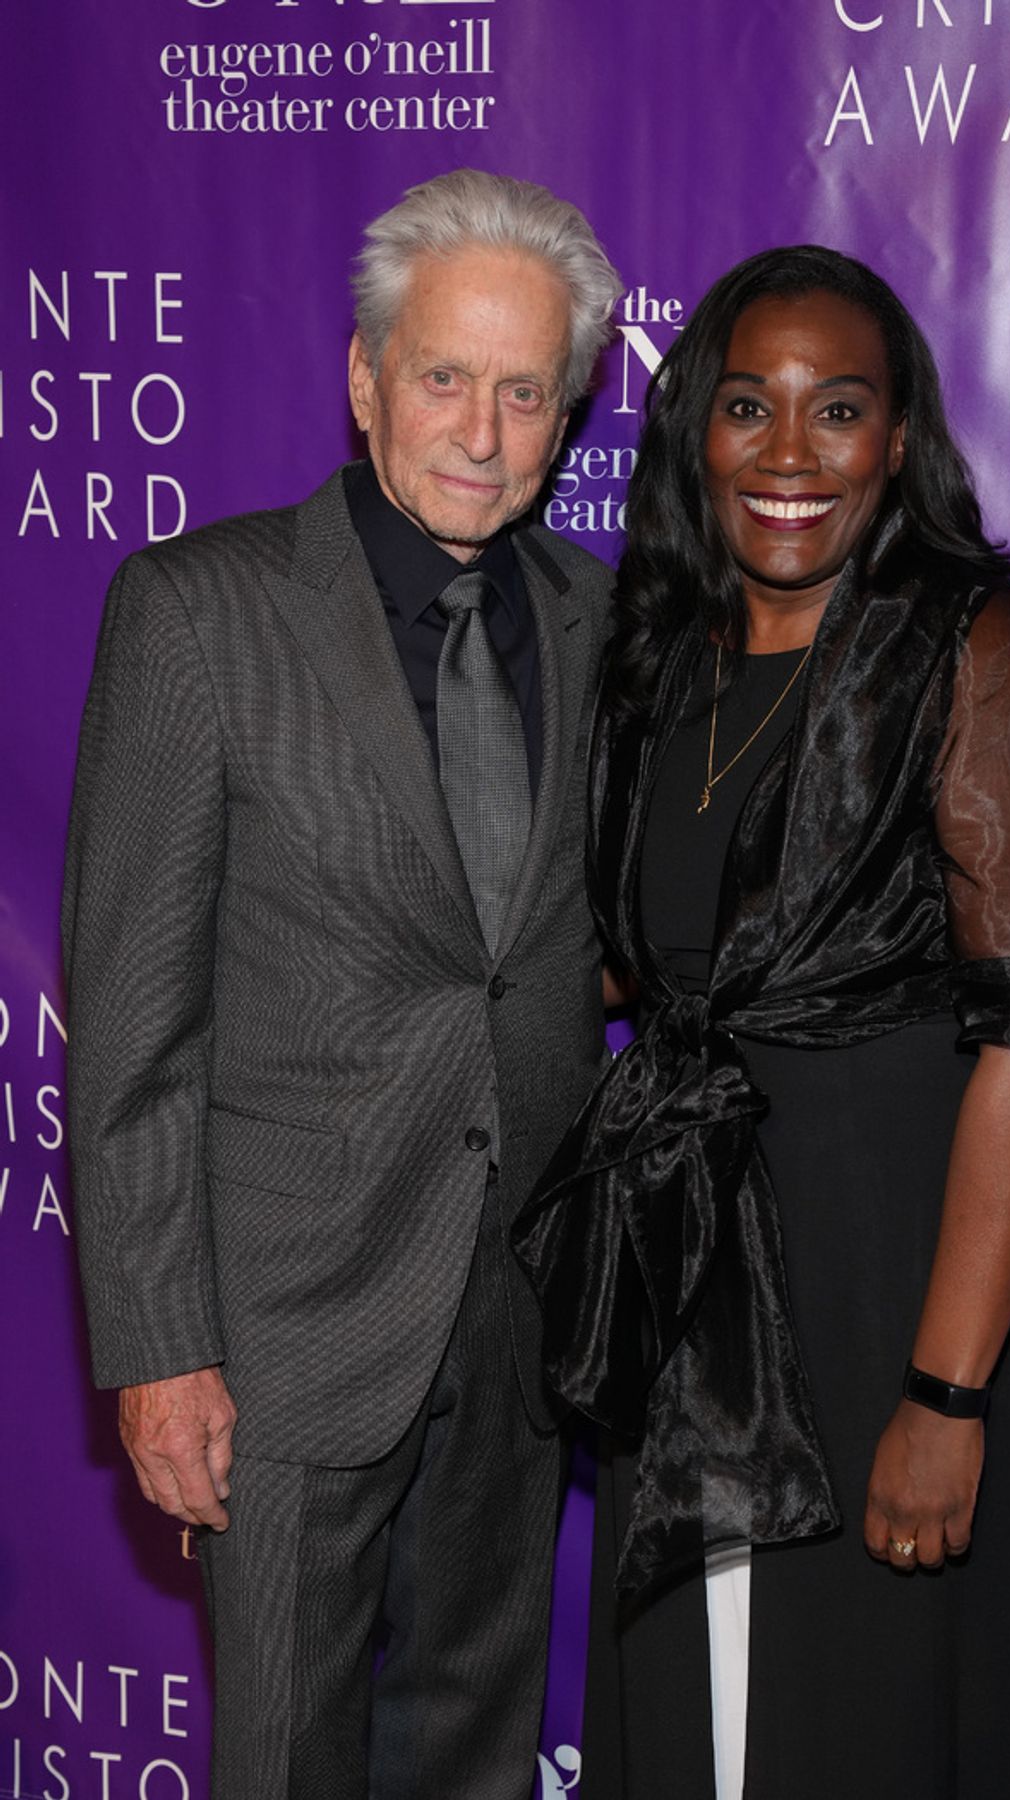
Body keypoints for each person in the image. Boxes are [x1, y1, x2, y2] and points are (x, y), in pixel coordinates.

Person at [514, 246, 1010, 1799]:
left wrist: (946, 1393)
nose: (788, 453)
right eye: (747, 408)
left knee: (864, 1721)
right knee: (704, 1714)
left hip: (888, 1285)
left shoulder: (983, 656)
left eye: (836, 410)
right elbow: (639, 968)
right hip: (690, 1267)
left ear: (899, 437)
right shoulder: (660, 666)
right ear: (692, 436)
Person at [61, 169, 622, 1800]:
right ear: (365, 379)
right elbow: (135, 1030)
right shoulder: (200, 614)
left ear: (568, 414)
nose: (481, 429)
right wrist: (160, 1350)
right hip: (287, 1328)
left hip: (517, 1312)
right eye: (445, 376)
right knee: (289, 1758)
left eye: (527, 393)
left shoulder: (604, 627)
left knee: (474, 1746)